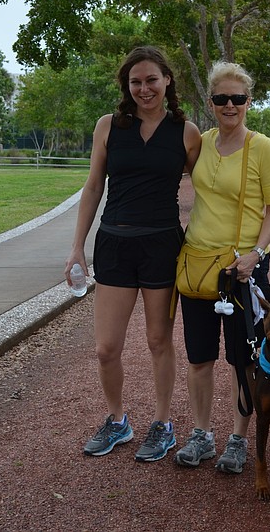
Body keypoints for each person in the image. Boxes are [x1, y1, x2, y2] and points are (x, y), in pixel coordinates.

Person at [66, 46, 201, 462]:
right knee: (106, 348)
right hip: (114, 243)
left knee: (159, 340)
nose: (144, 88)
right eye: (136, 82)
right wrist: (77, 247)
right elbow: (93, 187)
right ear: (127, 86)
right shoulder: (108, 126)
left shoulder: (187, 132)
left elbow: (210, 190)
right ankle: (117, 420)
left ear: (167, 81)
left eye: (151, 80)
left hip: (161, 244)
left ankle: (162, 424)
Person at [174, 61, 270, 475]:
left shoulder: (264, 149)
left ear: (248, 102)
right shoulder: (201, 143)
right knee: (199, 357)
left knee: (243, 357)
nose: (229, 105)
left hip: (243, 267)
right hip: (199, 263)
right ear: (210, 102)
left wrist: (256, 253)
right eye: (221, 98)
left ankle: (239, 438)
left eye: (237, 99)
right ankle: (202, 435)